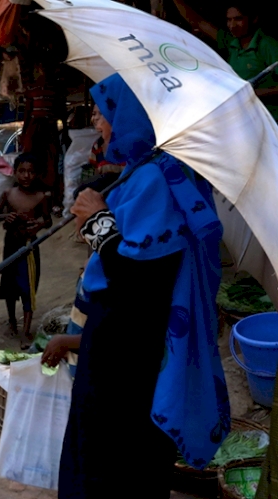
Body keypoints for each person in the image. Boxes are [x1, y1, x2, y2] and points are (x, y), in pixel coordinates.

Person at [57, 73, 229, 497]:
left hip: (128, 349)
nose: (98, 122)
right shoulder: (144, 175)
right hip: (122, 341)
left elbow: (137, 280)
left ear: (133, 115)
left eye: (106, 111)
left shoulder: (157, 180)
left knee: (113, 456)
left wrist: (96, 220)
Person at [172, 0, 278, 121]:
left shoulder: (268, 46)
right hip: (242, 119)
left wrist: (255, 93)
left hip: (269, 120)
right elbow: (198, 22)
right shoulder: (231, 42)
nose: (232, 25)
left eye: (238, 19)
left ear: (254, 19)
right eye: (229, 20)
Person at [0, 153, 52, 349]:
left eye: (31, 172)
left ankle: (26, 329)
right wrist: (6, 216)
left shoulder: (40, 197)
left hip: (29, 248)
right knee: (9, 287)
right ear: (15, 172)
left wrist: (37, 225)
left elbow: (48, 220)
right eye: (22, 171)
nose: (26, 176)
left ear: (37, 174)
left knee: (28, 288)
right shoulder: (8, 194)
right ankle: (12, 322)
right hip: (11, 246)